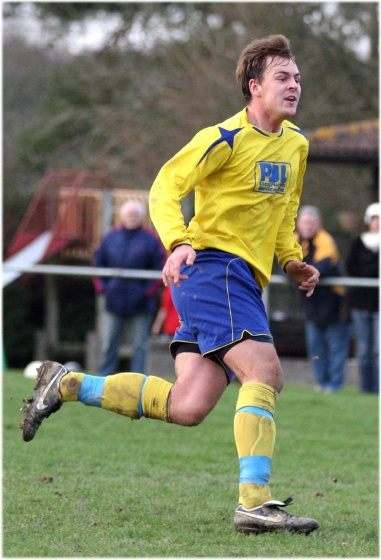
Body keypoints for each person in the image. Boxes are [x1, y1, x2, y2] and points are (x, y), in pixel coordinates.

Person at [20, 35, 320, 535]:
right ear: (254, 87)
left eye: (297, 79)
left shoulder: (298, 145)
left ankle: (66, 384)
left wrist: (291, 260)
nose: (294, 86)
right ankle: (254, 502)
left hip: (240, 280)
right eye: (282, 78)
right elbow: (165, 186)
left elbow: (284, 211)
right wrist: (178, 241)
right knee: (264, 371)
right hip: (212, 269)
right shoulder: (221, 138)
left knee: (188, 405)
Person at [93, 200, 165, 375]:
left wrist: (146, 292)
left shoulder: (151, 240)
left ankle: (138, 381)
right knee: (108, 343)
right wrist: (103, 288)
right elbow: (97, 263)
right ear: (122, 216)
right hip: (113, 301)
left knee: (140, 346)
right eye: (129, 214)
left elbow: (160, 267)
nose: (132, 218)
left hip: (141, 304)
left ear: (141, 217)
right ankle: (103, 380)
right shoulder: (110, 238)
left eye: (135, 215)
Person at [295, 205, 350, 393]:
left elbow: (323, 267)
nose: (308, 226)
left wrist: (297, 271)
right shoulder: (295, 240)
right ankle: (320, 382)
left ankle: (334, 385)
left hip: (333, 301)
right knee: (315, 346)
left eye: (312, 223)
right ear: (298, 224)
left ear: (319, 224)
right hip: (311, 303)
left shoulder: (326, 240)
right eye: (305, 223)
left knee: (336, 346)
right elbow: (283, 264)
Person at [346, 203, 379, 394]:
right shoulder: (358, 242)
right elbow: (351, 267)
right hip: (361, 303)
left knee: (378, 350)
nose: (377, 223)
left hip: (378, 305)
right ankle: (365, 389)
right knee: (365, 349)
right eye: (374, 219)